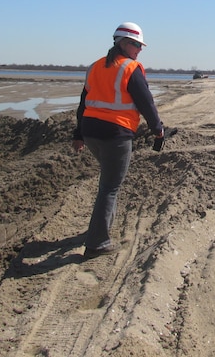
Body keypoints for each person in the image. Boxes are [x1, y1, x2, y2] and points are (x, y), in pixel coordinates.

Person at [73, 21, 164, 259]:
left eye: (141, 46)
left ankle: (97, 230)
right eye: (136, 44)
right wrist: (158, 130)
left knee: (108, 184)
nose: (139, 49)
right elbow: (146, 103)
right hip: (116, 134)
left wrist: (78, 133)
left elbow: (83, 104)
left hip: (91, 132)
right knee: (110, 187)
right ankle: (97, 243)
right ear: (123, 43)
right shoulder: (130, 68)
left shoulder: (94, 67)